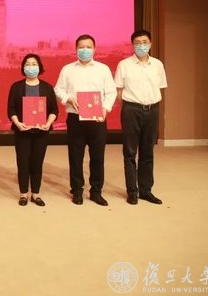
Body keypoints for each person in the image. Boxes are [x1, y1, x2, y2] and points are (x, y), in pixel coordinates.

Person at [54, 34, 117, 206]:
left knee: (97, 157)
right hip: (75, 118)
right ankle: (77, 190)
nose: (85, 50)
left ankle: (96, 191)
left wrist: (106, 108)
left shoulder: (103, 69)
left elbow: (111, 92)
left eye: (88, 47)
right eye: (81, 47)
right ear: (76, 49)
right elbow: (58, 89)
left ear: (94, 49)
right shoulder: (67, 69)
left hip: (97, 119)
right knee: (75, 156)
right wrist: (68, 98)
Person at [114, 30, 167, 205]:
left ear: (150, 44)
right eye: (137, 42)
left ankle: (146, 190)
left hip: (152, 110)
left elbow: (160, 88)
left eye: (144, 42)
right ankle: (132, 191)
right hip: (131, 109)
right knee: (130, 152)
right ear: (132, 45)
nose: (141, 45)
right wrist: (126, 109)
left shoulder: (157, 65)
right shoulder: (124, 65)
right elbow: (119, 90)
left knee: (147, 151)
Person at [7, 53, 58, 207]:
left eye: (34, 64)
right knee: (23, 162)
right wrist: (17, 123)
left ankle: (36, 194)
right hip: (22, 131)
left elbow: (54, 110)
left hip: (41, 132)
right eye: (27, 64)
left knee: (37, 162)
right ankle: (23, 193)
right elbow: (11, 109)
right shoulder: (16, 87)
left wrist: (48, 123)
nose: (31, 67)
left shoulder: (47, 88)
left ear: (39, 67)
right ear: (23, 67)